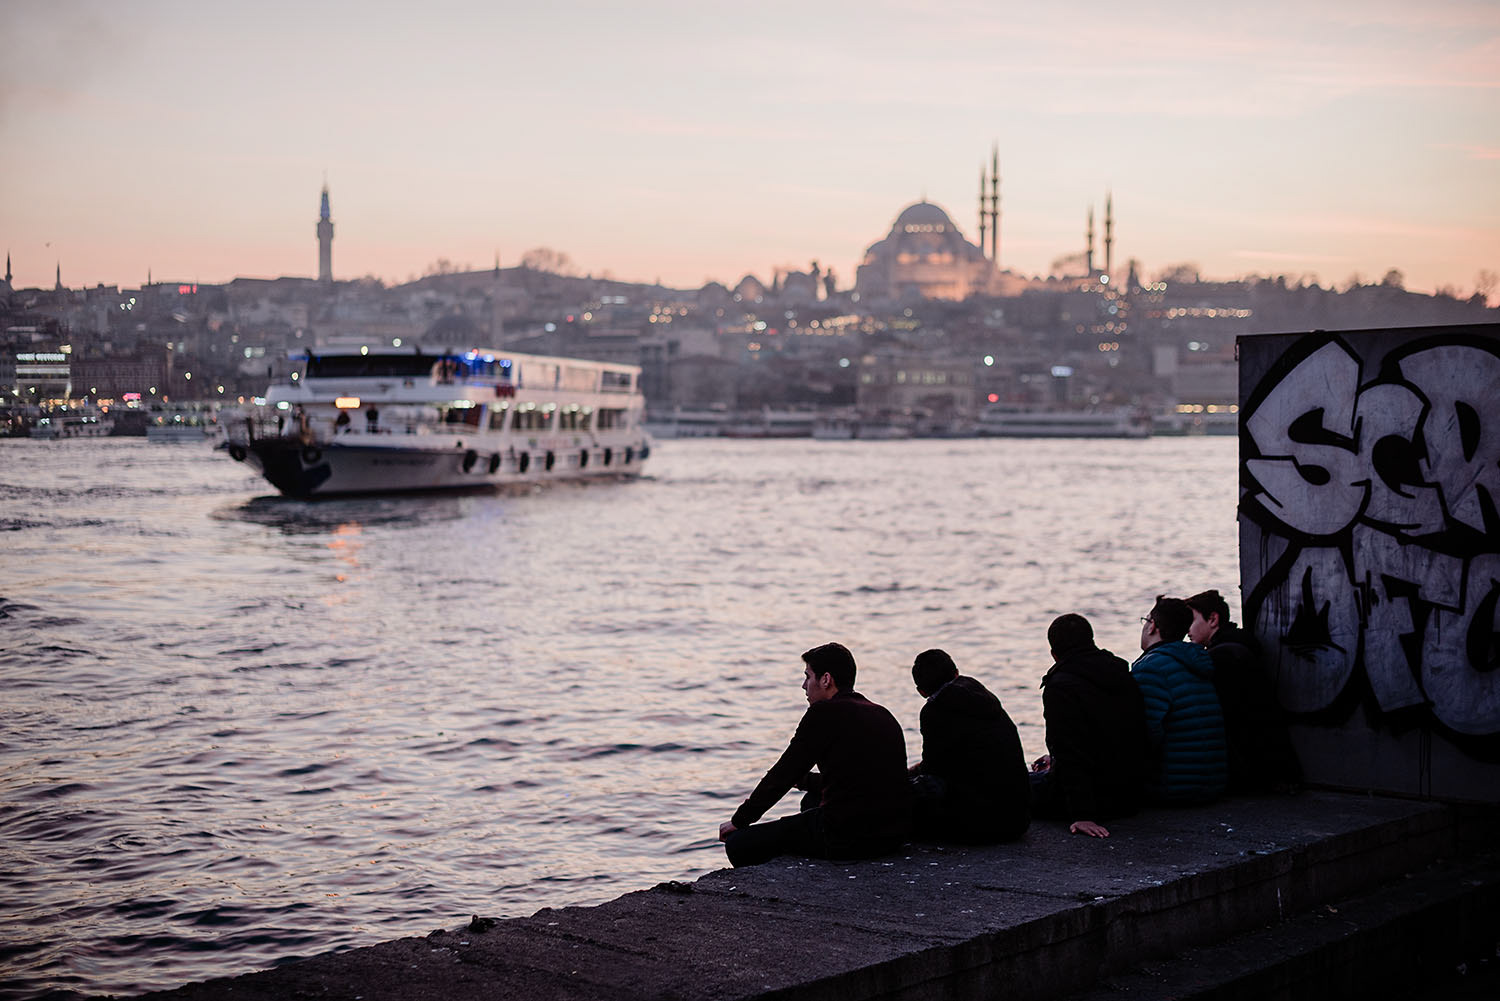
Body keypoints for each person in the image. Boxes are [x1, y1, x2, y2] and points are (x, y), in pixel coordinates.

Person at [719, 643, 912, 867]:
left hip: (849, 836)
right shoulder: (882, 712)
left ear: (826, 679)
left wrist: (739, 820)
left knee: (739, 843)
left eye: (808, 676)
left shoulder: (823, 713)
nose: (804, 686)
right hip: (893, 836)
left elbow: (784, 773)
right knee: (811, 800)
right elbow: (861, 779)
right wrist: (806, 781)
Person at [1030, 614, 1149, 838]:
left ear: (1054, 654)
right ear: (1091, 641)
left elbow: (1070, 752)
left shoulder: (1061, 687)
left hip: (1096, 802)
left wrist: (1082, 814)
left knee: (1009, 788)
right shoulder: (1121, 673)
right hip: (1129, 795)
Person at [1185, 589, 1303, 794]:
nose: (1187, 629)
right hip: (1274, 764)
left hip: (1256, 769)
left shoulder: (1223, 656)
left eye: (1191, 620)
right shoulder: (1240, 645)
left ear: (1213, 619)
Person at [907, 649, 1030, 843]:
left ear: (921, 691)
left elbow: (933, 770)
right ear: (956, 672)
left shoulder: (934, 711)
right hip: (1018, 820)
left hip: (977, 825)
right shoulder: (982, 695)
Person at [1132, 596, 1228, 805]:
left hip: (1175, 786)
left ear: (1152, 627)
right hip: (1213, 782)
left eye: (1145, 620)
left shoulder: (1151, 668)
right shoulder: (1197, 660)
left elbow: (1146, 734)